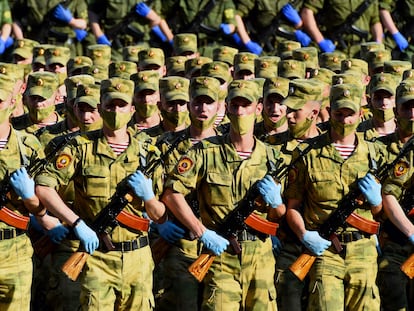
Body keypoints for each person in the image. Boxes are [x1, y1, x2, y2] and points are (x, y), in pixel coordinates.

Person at [35, 77, 166, 310]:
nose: (115, 111)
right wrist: (75, 223)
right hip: (97, 256)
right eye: (109, 105)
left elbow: (159, 215)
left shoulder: (148, 153)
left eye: (121, 105)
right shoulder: (80, 147)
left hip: (138, 258)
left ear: (132, 109)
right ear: (101, 107)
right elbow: (44, 187)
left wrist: (149, 198)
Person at [162, 79, 284, 310]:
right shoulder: (206, 151)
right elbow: (172, 193)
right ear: (226, 107)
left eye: (245, 106)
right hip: (221, 254)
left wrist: (276, 204)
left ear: (258, 108)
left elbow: (279, 214)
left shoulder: (271, 157)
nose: (240, 112)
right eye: (235, 106)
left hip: (261, 255)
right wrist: (202, 232)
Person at [285, 82, 386, 310]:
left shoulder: (374, 154)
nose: (344, 120)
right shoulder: (306, 153)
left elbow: (380, 214)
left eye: (350, 114)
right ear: (329, 112)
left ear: (360, 114)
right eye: (339, 113)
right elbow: (292, 207)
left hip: (363, 251)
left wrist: (377, 202)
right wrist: (305, 235)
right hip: (325, 250)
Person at [155, 76, 222, 311]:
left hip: (222, 242)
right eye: (196, 102)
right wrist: (160, 222)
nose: (202, 109)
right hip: (178, 242)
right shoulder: (166, 145)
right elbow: (154, 192)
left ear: (219, 106)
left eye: (208, 102)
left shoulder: (228, 145)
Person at [376, 79, 414, 311]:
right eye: (406, 107)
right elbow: (387, 195)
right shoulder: (376, 148)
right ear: (396, 110)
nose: (412, 113)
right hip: (392, 238)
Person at [301, 0, 383, 57]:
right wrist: (321, 41)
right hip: (335, 51)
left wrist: (378, 44)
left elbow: (375, 21)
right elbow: (307, 12)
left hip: (362, 52)